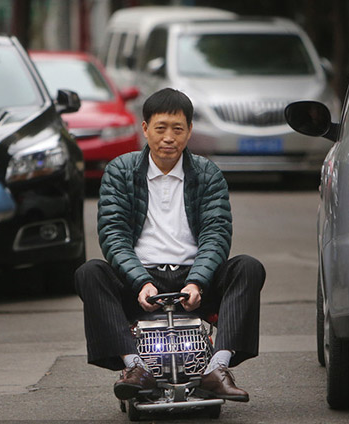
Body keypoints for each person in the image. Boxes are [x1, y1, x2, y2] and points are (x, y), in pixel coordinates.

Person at [74, 87, 266, 403]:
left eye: (178, 129)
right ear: (145, 128)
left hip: (194, 280)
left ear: (189, 131)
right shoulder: (120, 171)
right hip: (140, 281)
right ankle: (135, 367)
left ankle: (217, 369)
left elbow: (216, 235)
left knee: (248, 267)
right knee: (90, 272)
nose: (168, 138)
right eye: (160, 128)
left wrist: (198, 282)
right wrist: (140, 281)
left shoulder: (207, 173)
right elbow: (113, 234)